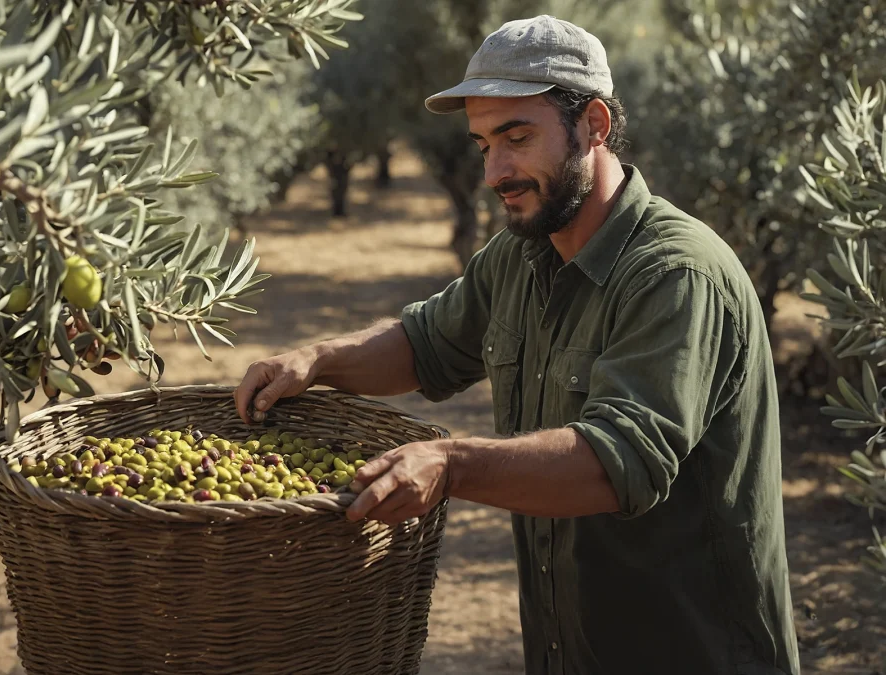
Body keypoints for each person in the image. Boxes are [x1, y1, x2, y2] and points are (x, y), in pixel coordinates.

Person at [233, 14, 800, 675]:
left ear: (594, 125)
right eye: (481, 145)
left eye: (516, 136)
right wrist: (318, 360)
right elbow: (424, 344)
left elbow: (617, 461)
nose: (495, 171)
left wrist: (453, 464)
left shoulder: (675, 274)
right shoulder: (520, 255)